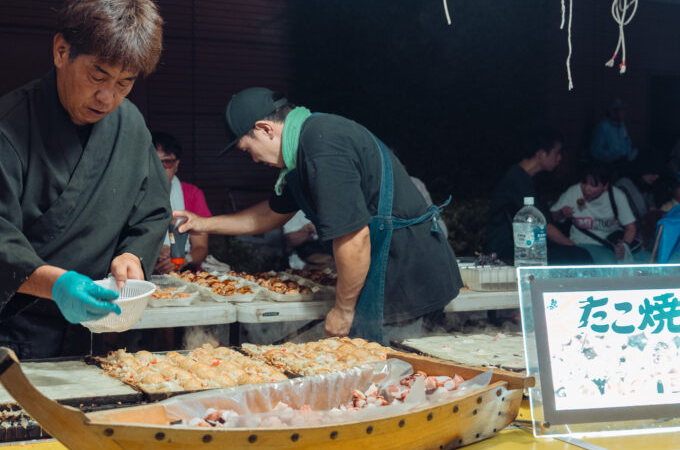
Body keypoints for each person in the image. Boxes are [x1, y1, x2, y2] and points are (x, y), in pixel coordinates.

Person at [0, 0, 171, 361]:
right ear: (60, 51)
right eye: (98, 76)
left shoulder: (130, 124)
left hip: (85, 325)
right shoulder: (3, 129)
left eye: (125, 83)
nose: (108, 97)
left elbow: (152, 209)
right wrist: (58, 285)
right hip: (5, 326)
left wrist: (133, 255)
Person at [175, 88, 461, 342]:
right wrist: (202, 223)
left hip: (407, 281)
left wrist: (343, 309)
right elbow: (270, 214)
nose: (254, 159)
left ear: (265, 129)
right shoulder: (302, 151)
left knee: (392, 385)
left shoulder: (322, 147)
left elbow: (354, 237)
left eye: (248, 149)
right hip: (386, 275)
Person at [486, 127, 591, 265]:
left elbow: (540, 217)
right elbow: (541, 225)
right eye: (557, 153)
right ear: (541, 153)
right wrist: (570, 244)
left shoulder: (527, 179)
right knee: (580, 256)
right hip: (509, 248)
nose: (560, 158)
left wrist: (559, 214)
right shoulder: (517, 180)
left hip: (526, 244)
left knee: (577, 255)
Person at [551, 162, 638, 264]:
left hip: (611, 243)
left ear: (605, 186)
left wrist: (625, 245)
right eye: (584, 183)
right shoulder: (573, 192)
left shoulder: (617, 196)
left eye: (593, 185)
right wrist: (561, 213)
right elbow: (551, 218)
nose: (586, 188)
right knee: (608, 263)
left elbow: (630, 227)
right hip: (582, 243)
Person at [151, 132, 210, 273]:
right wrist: (153, 250)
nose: (160, 168)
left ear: (176, 164)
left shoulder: (192, 194)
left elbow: (201, 248)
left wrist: (182, 260)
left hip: (185, 272)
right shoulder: (134, 195)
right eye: (154, 162)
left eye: (167, 162)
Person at [590, 97, 637, 166]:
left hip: (625, 163)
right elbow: (596, 152)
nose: (623, 113)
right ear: (612, 112)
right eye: (620, 110)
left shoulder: (622, 126)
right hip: (611, 166)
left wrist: (631, 154)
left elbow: (627, 143)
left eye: (623, 110)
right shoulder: (603, 127)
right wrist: (615, 156)